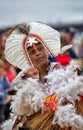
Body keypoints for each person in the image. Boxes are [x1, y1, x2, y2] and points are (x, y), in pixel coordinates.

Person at [2, 22, 83, 130]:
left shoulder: (64, 74)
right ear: (28, 59)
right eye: (32, 52)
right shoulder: (33, 85)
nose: (37, 53)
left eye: (40, 48)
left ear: (47, 50)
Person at [0, 59, 11, 124]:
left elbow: (8, 86)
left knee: (2, 116)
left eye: (1, 67)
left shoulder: (2, 77)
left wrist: (5, 77)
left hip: (2, 100)